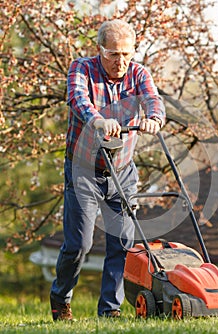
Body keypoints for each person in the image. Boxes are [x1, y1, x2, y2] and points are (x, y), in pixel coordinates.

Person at [50, 19, 165, 320]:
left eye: (126, 53)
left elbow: (154, 100)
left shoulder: (139, 74)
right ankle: (61, 298)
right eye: (113, 54)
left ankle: (109, 311)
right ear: (99, 50)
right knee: (79, 244)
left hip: (122, 170)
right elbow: (78, 99)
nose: (121, 61)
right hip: (84, 169)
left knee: (122, 244)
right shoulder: (82, 69)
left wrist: (154, 117)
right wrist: (98, 119)